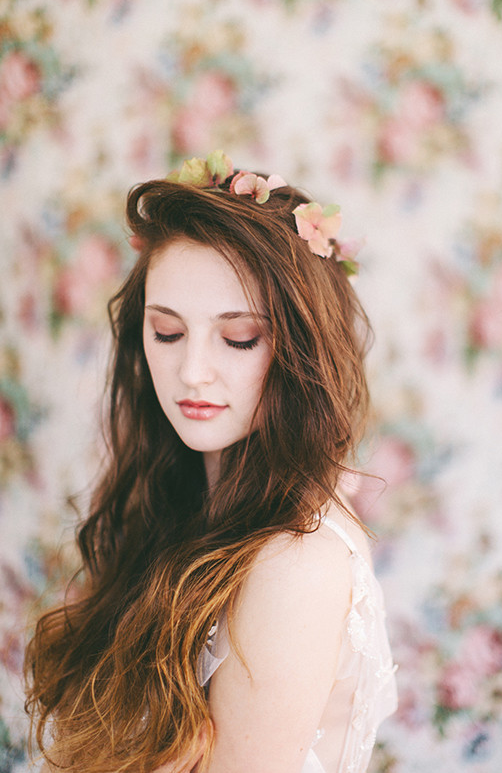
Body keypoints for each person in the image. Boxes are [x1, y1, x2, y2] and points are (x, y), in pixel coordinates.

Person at [25, 151, 397, 773]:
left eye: (239, 337)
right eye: (167, 332)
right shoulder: (182, 505)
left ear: (301, 349)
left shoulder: (295, 562)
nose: (192, 372)